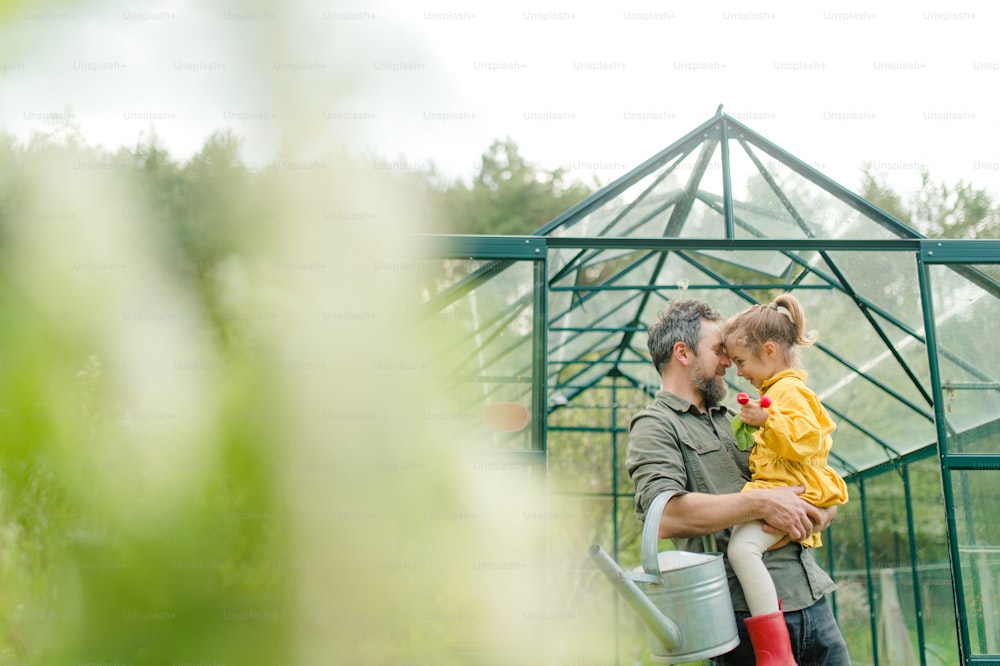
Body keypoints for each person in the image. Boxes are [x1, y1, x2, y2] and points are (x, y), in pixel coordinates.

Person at [625, 298, 850, 666]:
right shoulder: (655, 426)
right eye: (718, 352)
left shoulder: (743, 416)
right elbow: (663, 518)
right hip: (743, 623)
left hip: (812, 601)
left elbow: (808, 472)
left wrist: (823, 512)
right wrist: (763, 503)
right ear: (682, 352)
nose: (729, 362)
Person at [722, 295, 849, 663]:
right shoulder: (776, 391)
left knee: (742, 551)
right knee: (744, 548)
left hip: (794, 488)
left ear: (770, 350)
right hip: (782, 488)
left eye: (742, 362)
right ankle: (774, 641)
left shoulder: (790, 392)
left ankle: (774, 653)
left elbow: (811, 440)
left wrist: (768, 422)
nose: (739, 371)